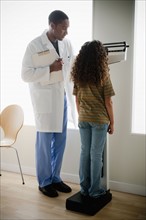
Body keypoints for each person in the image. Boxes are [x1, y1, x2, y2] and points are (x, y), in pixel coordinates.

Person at [21, 10, 77, 197]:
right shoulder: (34, 45)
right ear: (52, 25)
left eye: (67, 28)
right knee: (44, 143)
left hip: (62, 97)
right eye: (63, 28)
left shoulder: (66, 43)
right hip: (44, 99)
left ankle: (55, 178)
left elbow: (73, 66)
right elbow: (25, 75)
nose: (66, 32)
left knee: (61, 140)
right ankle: (44, 182)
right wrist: (49, 69)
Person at [71, 40, 115, 199]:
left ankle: (84, 188)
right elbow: (108, 102)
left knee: (84, 153)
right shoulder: (103, 75)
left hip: (83, 118)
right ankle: (95, 190)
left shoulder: (78, 75)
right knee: (96, 155)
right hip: (99, 120)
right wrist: (113, 123)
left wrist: (81, 115)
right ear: (100, 56)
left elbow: (76, 100)